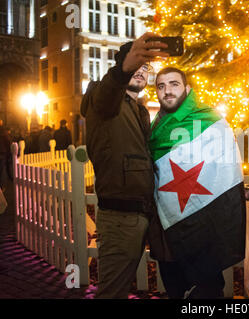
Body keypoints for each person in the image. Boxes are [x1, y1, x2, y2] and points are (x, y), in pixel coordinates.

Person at [80, 32, 170, 299]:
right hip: (120, 218)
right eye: (136, 66)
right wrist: (123, 69)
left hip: (142, 213)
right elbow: (110, 90)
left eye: (146, 68)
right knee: (112, 292)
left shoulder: (138, 108)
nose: (141, 72)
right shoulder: (103, 97)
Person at [148, 67, 246, 299]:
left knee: (207, 291)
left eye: (174, 84)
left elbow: (225, 172)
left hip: (204, 224)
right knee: (175, 289)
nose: (167, 91)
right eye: (161, 86)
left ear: (187, 89)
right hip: (167, 226)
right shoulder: (156, 126)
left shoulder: (209, 119)